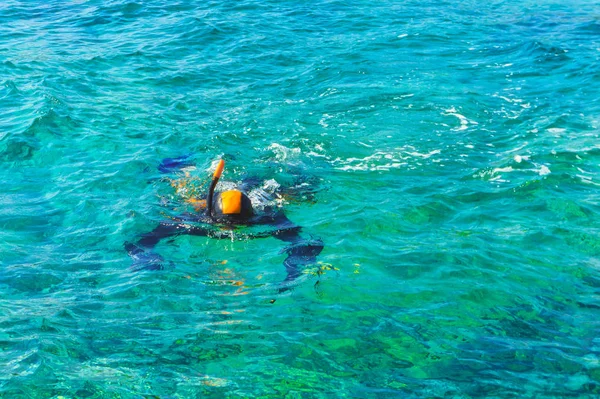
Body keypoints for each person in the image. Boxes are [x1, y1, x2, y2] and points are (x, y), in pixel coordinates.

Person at [125, 156, 324, 290]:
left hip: (253, 194)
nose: (231, 229)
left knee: (290, 194)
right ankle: (181, 166)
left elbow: (304, 244)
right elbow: (140, 242)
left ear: (250, 217)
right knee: (184, 194)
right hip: (209, 199)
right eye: (228, 223)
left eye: (238, 223)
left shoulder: (267, 215)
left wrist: (295, 266)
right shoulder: (194, 217)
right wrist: (145, 258)